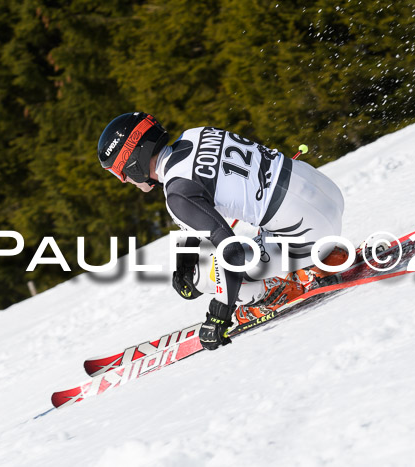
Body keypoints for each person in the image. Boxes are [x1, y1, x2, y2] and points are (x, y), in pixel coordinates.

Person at [97, 112, 345, 350]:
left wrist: (220, 315)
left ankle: (268, 295)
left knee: (203, 274)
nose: (124, 180)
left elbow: (232, 252)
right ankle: (316, 260)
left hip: (311, 229)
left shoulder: (176, 193)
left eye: (119, 172)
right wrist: (186, 257)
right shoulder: (195, 134)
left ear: (132, 163)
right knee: (233, 244)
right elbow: (208, 202)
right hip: (327, 194)